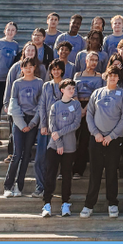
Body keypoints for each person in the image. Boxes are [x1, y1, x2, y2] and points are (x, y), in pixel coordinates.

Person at [80, 65, 123, 218]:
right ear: (106, 77)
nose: (112, 78)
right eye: (110, 75)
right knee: (95, 173)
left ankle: (113, 203)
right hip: (96, 139)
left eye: (115, 76)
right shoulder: (97, 93)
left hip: (113, 141)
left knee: (111, 173)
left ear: (118, 78)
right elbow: (89, 115)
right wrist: (96, 133)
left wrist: (111, 136)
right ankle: (89, 205)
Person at [41, 79, 81, 218]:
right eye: (69, 88)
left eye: (73, 89)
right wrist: (58, 144)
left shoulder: (76, 105)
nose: (72, 91)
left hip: (69, 147)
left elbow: (75, 124)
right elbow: (52, 126)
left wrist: (61, 134)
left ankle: (65, 203)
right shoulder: (55, 106)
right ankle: (47, 203)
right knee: (50, 174)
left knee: (66, 175)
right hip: (54, 146)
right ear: (62, 90)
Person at [3, 58, 43, 197]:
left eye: (31, 67)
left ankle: (19, 186)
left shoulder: (39, 83)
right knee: (17, 154)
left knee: (26, 155)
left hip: (32, 120)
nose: (28, 69)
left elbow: (40, 105)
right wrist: (21, 124)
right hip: (19, 119)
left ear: (34, 68)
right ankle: (8, 186)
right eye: (25, 67)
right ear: (21, 68)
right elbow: (13, 104)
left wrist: (32, 123)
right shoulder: (17, 84)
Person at [30, 60, 66, 197]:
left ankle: (49, 189)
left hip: (60, 129)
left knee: (54, 161)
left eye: (58, 69)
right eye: (53, 69)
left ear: (62, 70)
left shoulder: (67, 84)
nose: (56, 71)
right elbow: (42, 106)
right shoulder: (46, 86)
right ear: (50, 71)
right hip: (45, 129)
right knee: (40, 159)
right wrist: (43, 125)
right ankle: (40, 186)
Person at [72, 51, 105, 175]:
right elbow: (73, 91)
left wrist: (85, 110)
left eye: (96, 60)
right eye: (91, 59)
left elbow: (96, 94)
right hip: (76, 106)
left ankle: (78, 170)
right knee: (73, 137)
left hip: (91, 107)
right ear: (86, 61)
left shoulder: (99, 76)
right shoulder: (77, 75)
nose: (93, 62)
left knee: (84, 139)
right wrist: (78, 108)